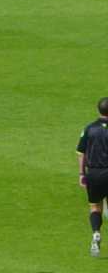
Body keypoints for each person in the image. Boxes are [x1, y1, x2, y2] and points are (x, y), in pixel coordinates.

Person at [77, 97, 108, 257]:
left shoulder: (89, 128)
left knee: (95, 206)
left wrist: (82, 173)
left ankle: (96, 231)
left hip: (94, 172)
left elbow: (81, 152)